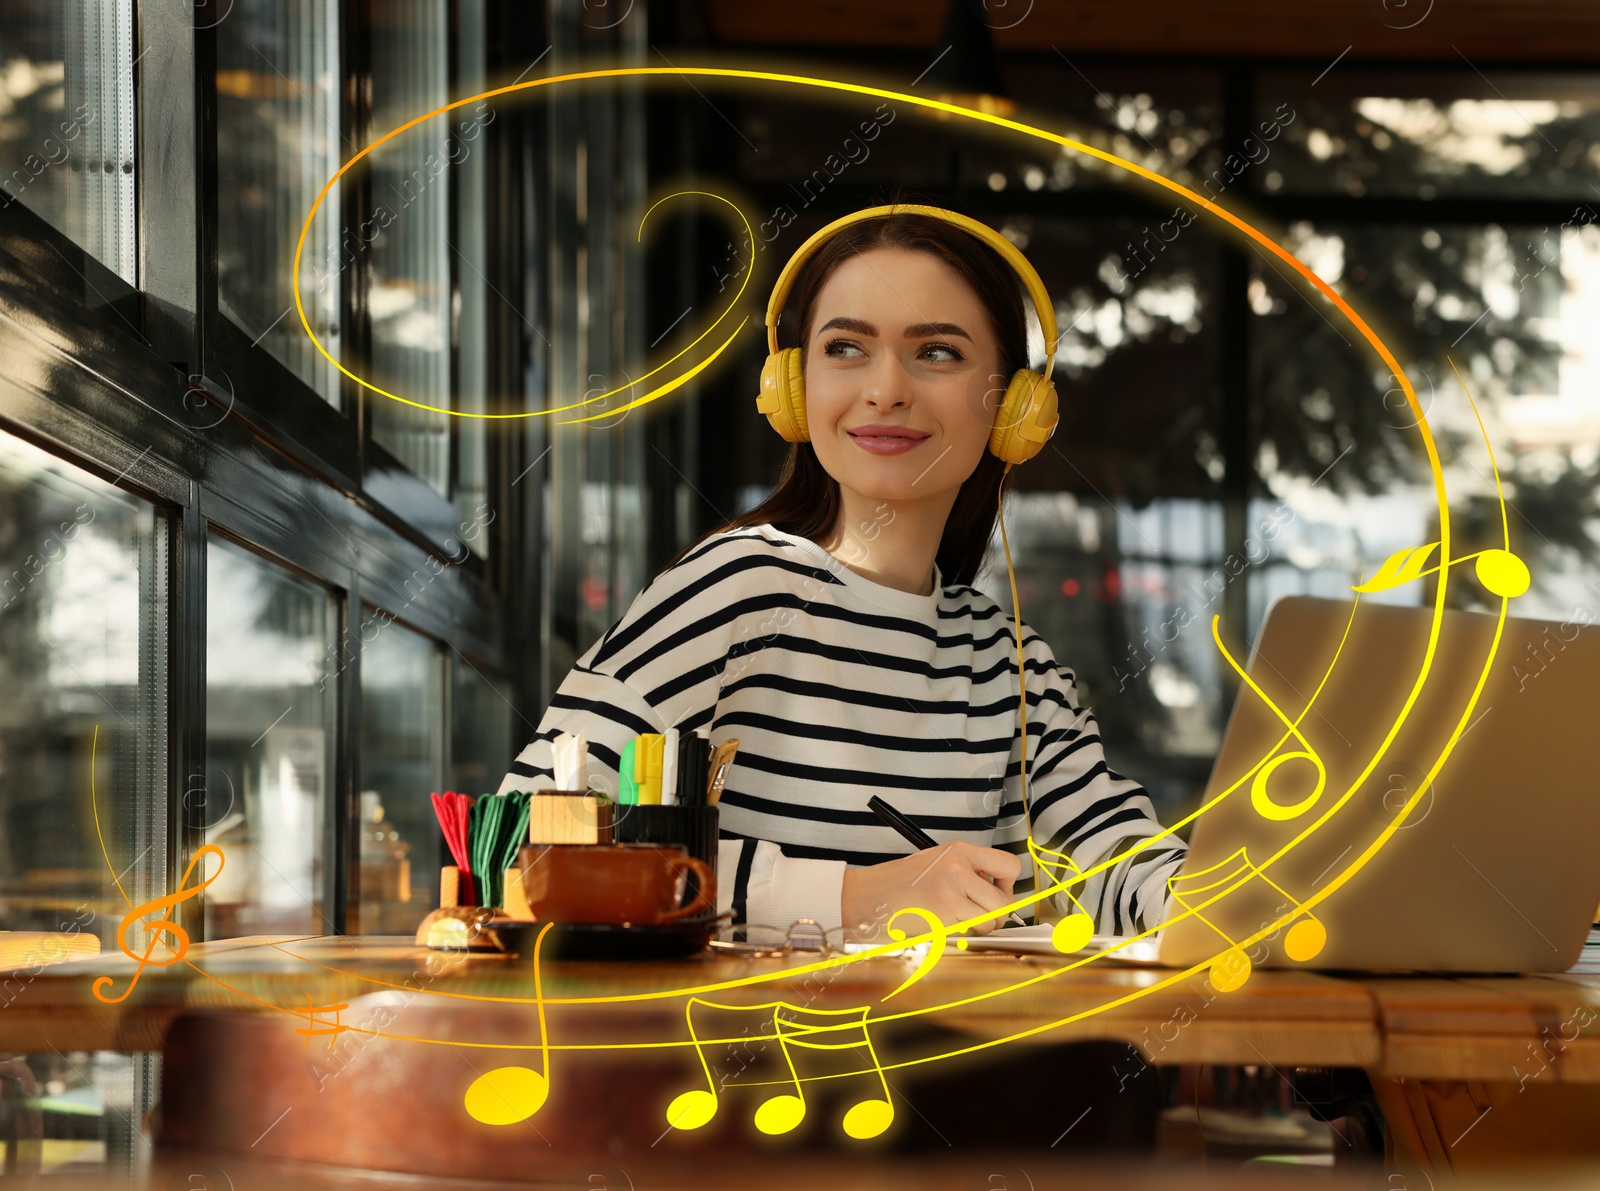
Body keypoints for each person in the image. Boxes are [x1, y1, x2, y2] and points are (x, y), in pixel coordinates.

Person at [497, 205, 1186, 940]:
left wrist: (1241, 897)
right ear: (794, 389)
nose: (887, 387)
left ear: (1015, 406)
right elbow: (522, 846)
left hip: (948, 1054)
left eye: (938, 353)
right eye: (846, 347)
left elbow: (1119, 865)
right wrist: (853, 895)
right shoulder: (734, 589)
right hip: (731, 1052)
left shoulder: (1010, 663)